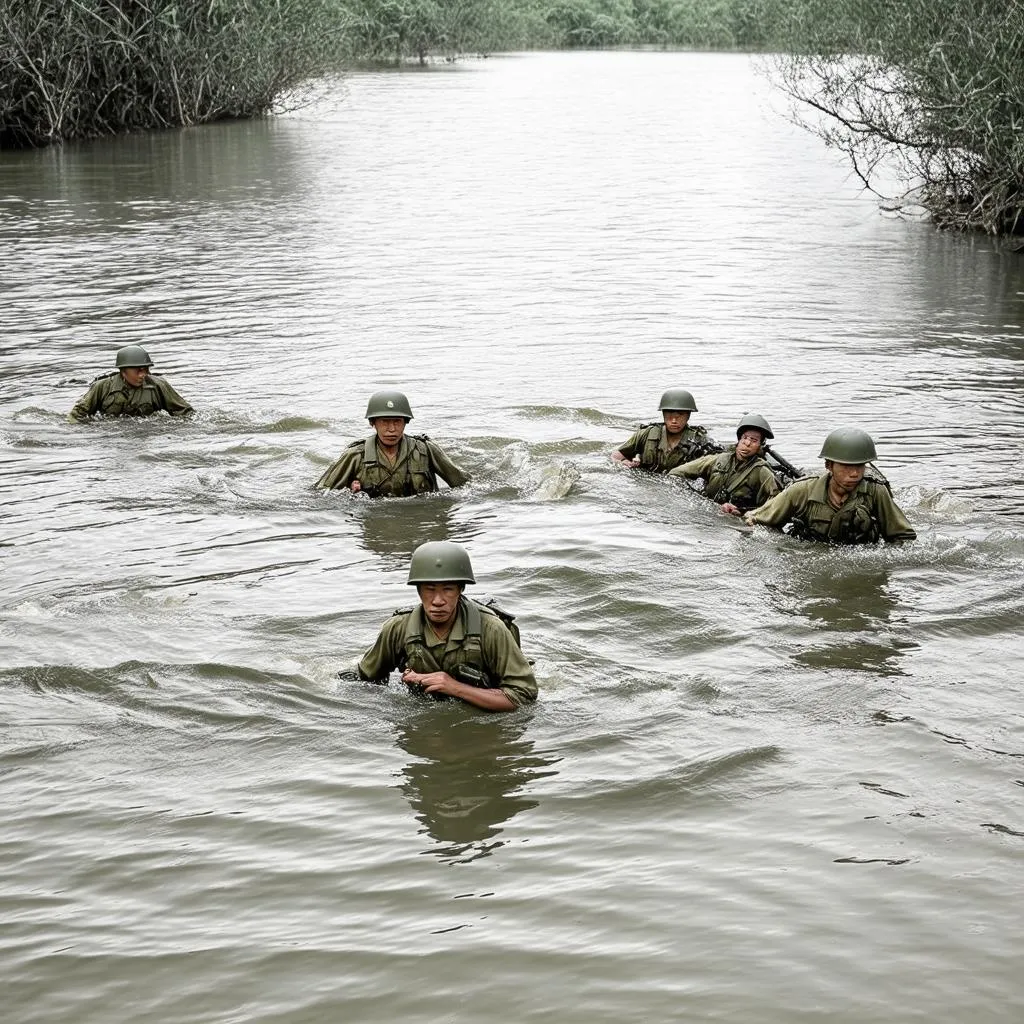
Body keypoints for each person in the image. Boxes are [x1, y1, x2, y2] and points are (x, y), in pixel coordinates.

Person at [355, 541, 537, 712]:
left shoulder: (491, 629)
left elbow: (524, 697)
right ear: (418, 590)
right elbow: (363, 680)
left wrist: (454, 687)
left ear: (461, 589)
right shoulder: (398, 628)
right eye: (430, 589)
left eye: (448, 589)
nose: (438, 601)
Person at [745, 427, 917, 543]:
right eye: (847, 466)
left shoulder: (875, 492)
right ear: (829, 466)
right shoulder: (802, 490)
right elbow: (755, 520)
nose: (855, 473)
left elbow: (903, 537)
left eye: (860, 466)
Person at [315, 390, 470, 497]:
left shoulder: (426, 450)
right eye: (384, 422)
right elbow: (319, 494)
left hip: (420, 524)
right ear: (373, 423)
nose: (391, 429)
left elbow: (465, 485)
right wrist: (348, 495)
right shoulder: (355, 456)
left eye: (397, 421)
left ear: (405, 422)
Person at [669, 413, 781, 515]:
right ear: (739, 439)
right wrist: (691, 497)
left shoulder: (762, 472)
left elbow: (777, 505)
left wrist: (744, 512)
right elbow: (675, 473)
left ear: (760, 445)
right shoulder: (718, 460)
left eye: (754, 440)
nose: (747, 443)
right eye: (744, 438)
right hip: (707, 512)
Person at [69, 345, 193, 422]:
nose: (143, 374)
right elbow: (77, 415)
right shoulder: (102, 387)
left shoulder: (158, 386)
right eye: (138, 370)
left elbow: (186, 412)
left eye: (145, 369)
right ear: (123, 371)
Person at [611, 388, 718, 473]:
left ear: (688, 416)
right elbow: (616, 455)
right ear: (663, 414)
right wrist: (624, 463)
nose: (674, 420)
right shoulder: (647, 434)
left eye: (680, 415)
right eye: (669, 415)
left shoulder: (700, 441)